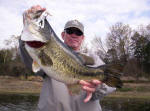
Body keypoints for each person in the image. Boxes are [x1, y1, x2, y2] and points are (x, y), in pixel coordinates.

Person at [19, 5, 116, 111]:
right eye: (70, 31)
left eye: (78, 32)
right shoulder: (44, 49)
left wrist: (98, 87)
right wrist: (27, 30)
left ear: (82, 38)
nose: (74, 35)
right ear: (63, 35)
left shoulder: (93, 59)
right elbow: (31, 62)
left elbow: (113, 83)